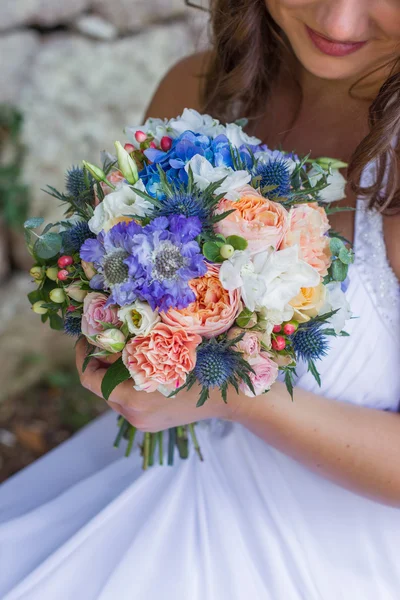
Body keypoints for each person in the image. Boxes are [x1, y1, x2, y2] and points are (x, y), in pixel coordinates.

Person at [1, 1, 400, 598]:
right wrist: (115, 335)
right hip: (145, 485)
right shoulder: (198, 88)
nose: (339, 22)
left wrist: (233, 397)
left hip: (310, 559)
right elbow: (118, 260)